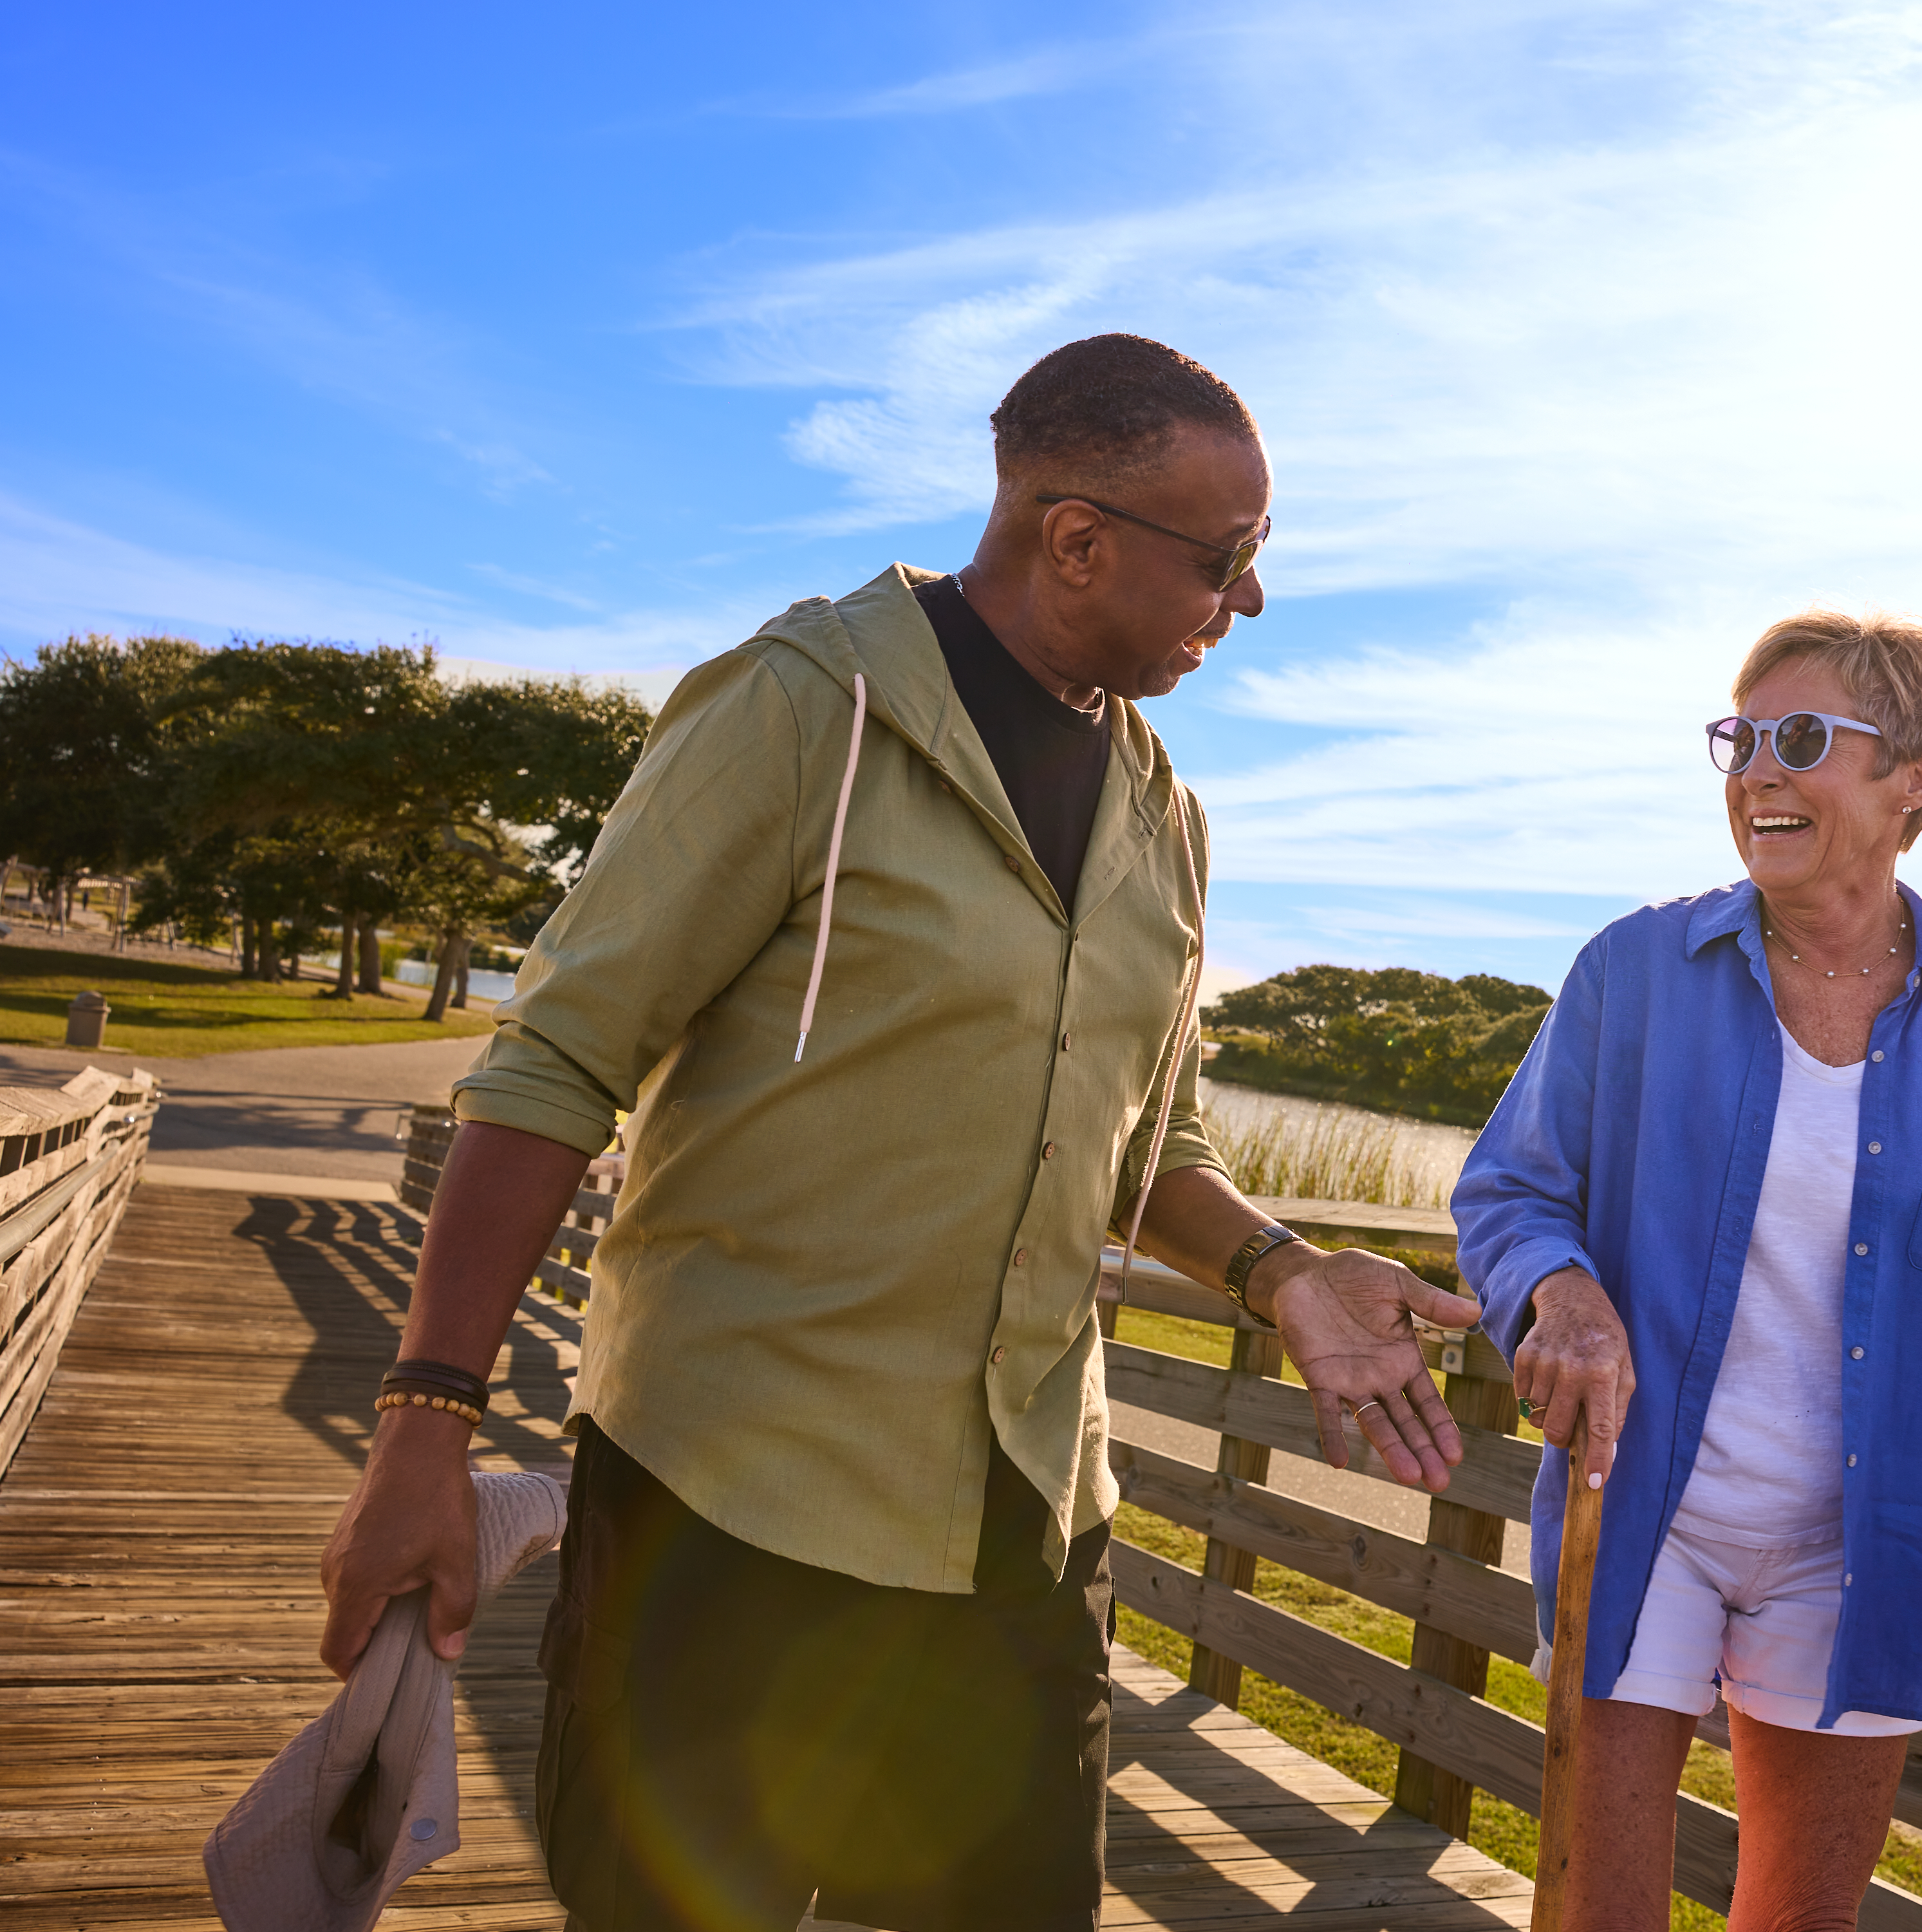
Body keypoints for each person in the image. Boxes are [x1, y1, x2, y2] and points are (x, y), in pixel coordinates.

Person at [316, 333, 1483, 1932]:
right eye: (1226, 561)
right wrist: (426, 1426)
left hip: (1023, 1537)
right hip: (728, 1519)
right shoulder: (802, 709)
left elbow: (1160, 1144)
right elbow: (550, 1071)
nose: (1249, 601)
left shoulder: (1166, 815)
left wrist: (1283, 1270)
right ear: (1076, 540)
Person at [1452, 608, 1922, 1931]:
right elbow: (1513, 1187)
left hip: (1866, 1543)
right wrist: (1558, 1290)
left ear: (1914, 778)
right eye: (1738, 740)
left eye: (1800, 740)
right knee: (1596, 1911)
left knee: (1801, 1921)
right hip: (1641, 1515)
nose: (1757, 774)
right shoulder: (1635, 972)